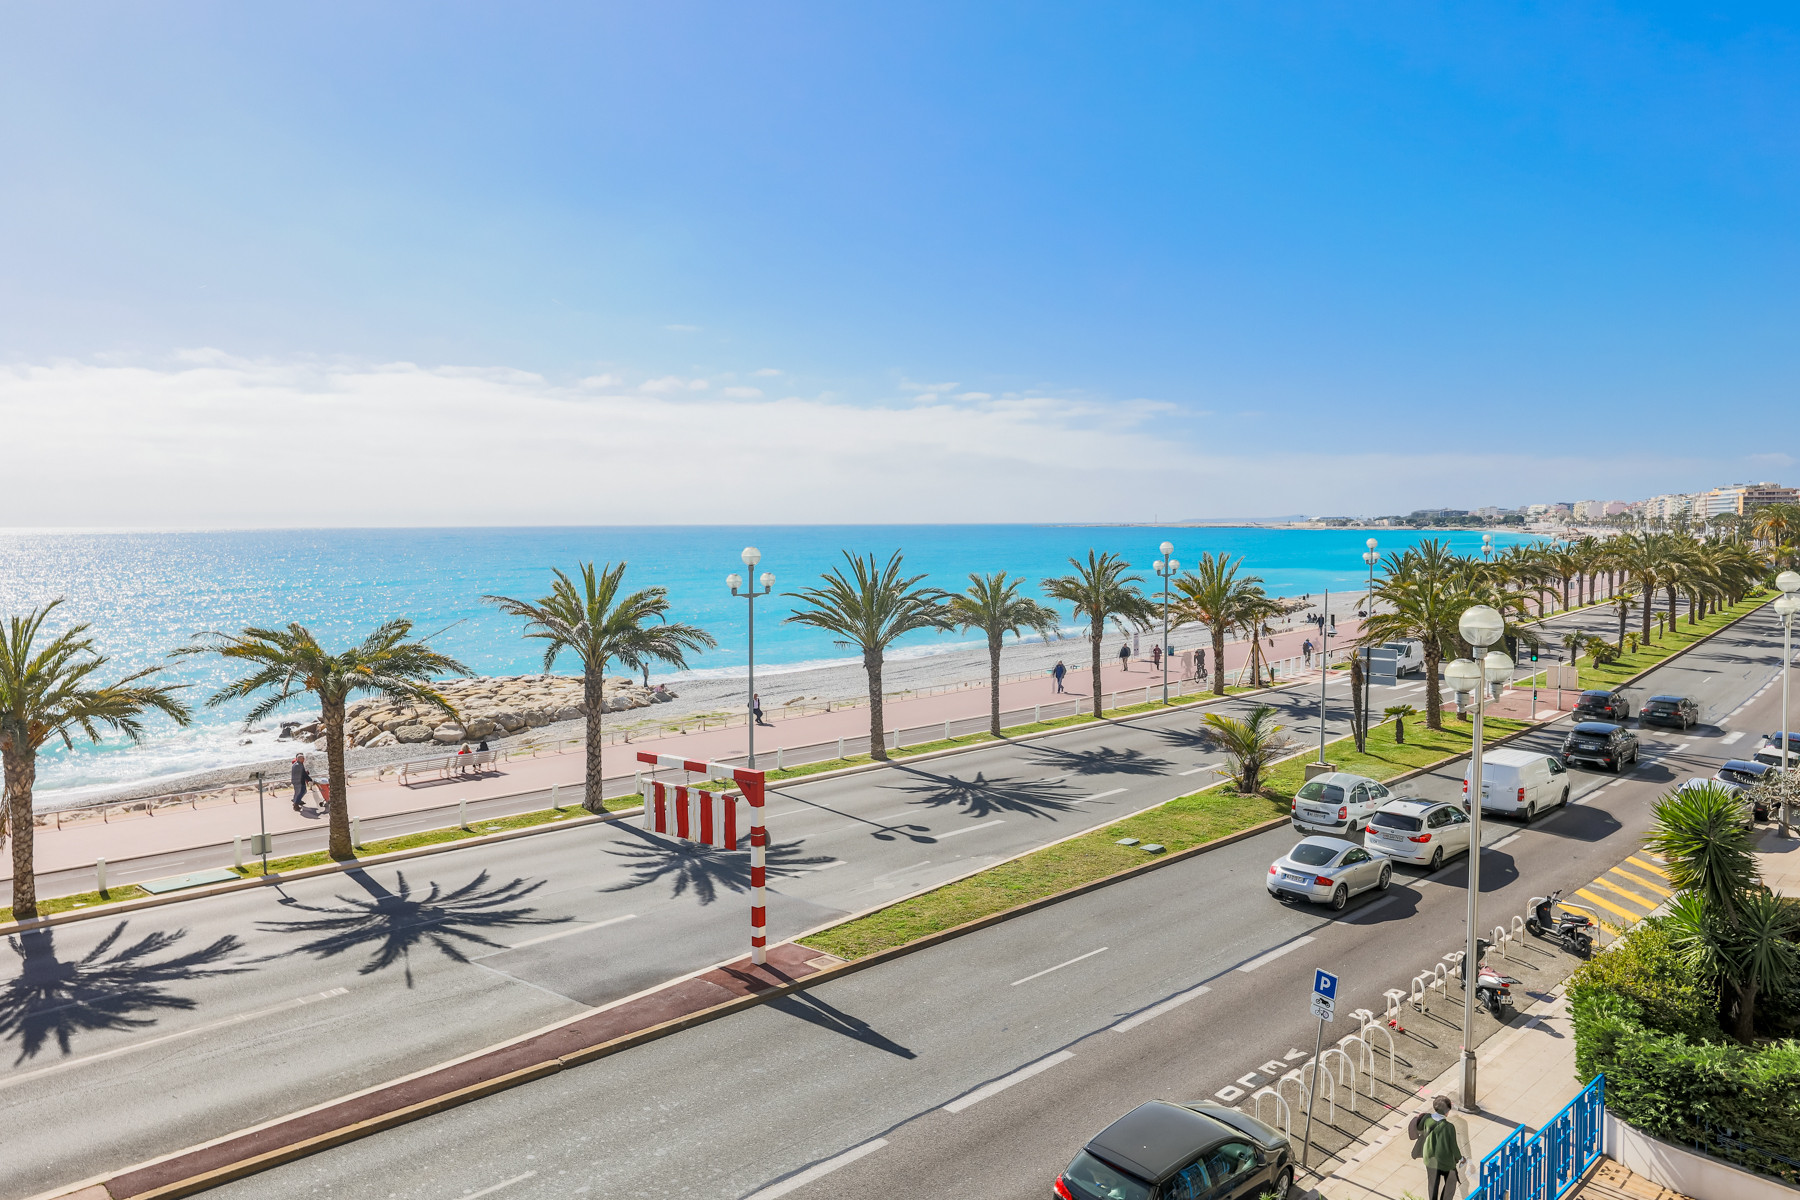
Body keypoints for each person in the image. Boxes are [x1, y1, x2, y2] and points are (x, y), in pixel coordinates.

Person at [1409, 1095, 1468, 1200]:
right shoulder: (1449, 1127)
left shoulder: (1426, 1118)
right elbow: (1453, 1146)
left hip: (1429, 1159)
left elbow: (1419, 1127)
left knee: (1433, 1184)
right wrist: (1461, 1158)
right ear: (1447, 1111)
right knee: (1451, 1181)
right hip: (1445, 1162)